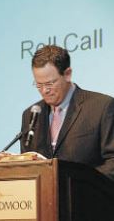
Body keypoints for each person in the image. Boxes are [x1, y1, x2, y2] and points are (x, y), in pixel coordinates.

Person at [20, 45, 114, 181]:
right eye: (39, 85)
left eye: (50, 83)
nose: (44, 90)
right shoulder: (31, 114)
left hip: (87, 199)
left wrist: (79, 183)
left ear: (68, 74)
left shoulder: (102, 107)